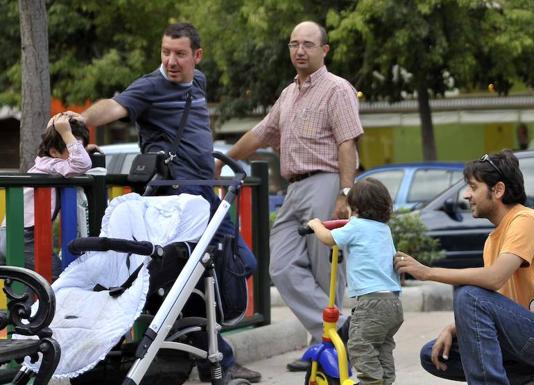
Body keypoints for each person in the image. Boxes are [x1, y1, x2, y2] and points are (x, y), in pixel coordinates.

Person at [66, 23, 260, 384]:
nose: (171, 60)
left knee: (238, 266)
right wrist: (79, 123)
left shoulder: (198, 82)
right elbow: (115, 105)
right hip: (177, 202)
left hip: (208, 195)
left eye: (180, 54)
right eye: (165, 52)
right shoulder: (150, 86)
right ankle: (218, 363)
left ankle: (206, 353)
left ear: (196, 56)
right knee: (198, 280)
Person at [216, 20, 364, 372]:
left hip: (326, 182)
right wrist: (223, 160)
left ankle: (326, 348)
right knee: (280, 265)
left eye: (308, 44)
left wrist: (345, 191)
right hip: (294, 188)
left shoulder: (337, 89)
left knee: (323, 270)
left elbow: (347, 142)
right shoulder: (289, 93)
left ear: (324, 50)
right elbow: (262, 132)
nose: (300, 50)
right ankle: (337, 331)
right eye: (294, 43)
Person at [394, 149, 534, 385]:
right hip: (525, 334)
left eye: (473, 187)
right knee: (433, 354)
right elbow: (497, 304)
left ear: (498, 190)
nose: (466, 195)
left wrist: (427, 272)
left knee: (468, 295)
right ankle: (532, 377)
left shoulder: (525, 220)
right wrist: (454, 329)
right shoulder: (493, 240)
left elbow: (493, 279)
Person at [307, 178, 403, 385]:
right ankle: (385, 381)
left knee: (359, 345)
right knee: (382, 348)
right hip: (393, 303)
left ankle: (370, 382)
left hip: (371, 303)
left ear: (355, 208)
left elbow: (328, 238)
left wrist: (315, 225)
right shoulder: (383, 229)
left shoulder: (356, 226)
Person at [0, 113, 93, 279]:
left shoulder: (48, 162)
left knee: (24, 287)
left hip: (13, 234)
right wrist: (65, 133)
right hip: (22, 237)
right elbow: (82, 163)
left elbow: (77, 158)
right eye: (74, 147)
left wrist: (62, 128)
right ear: (54, 152)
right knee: (55, 277)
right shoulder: (52, 164)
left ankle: (24, 306)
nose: (79, 152)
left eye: (81, 148)